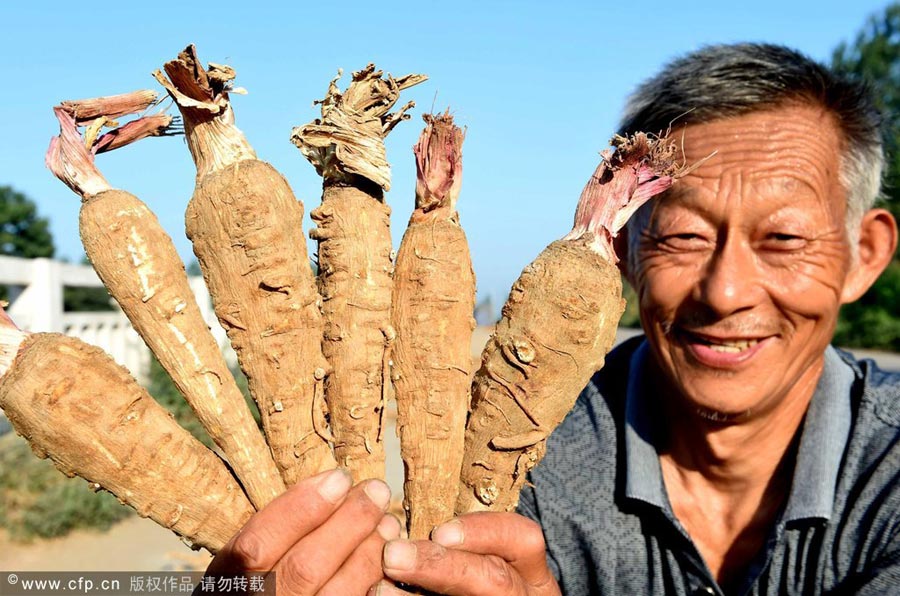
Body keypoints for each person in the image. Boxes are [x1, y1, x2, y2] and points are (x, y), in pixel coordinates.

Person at [202, 43, 900, 595]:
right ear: (627, 249)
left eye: (782, 239)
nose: (724, 293)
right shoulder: (530, 463)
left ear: (865, 255)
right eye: (684, 236)